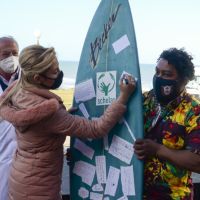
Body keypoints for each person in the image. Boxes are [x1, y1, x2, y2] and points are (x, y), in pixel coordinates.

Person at [0, 45, 135, 200]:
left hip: (21, 176)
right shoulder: (49, 113)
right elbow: (97, 129)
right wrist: (124, 96)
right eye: (55, 71)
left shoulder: (17, 89)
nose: (59, 73)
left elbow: (39, 128)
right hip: (39, 187)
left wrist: (63, 117)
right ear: (37, 78)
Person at [134, 48, 200, 200]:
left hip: (173, 196)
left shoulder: (194, 111)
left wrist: (158, 149)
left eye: (167, 74)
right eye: (157, 72)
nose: (159, 78)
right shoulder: (144, 100)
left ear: (184, 79)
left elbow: (197, 162)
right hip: (135, 193)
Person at [0, 36, 19, 200]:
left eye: (15, 53)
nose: (11, 58)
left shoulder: (29, 79)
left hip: (25, 158)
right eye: (5, 54)